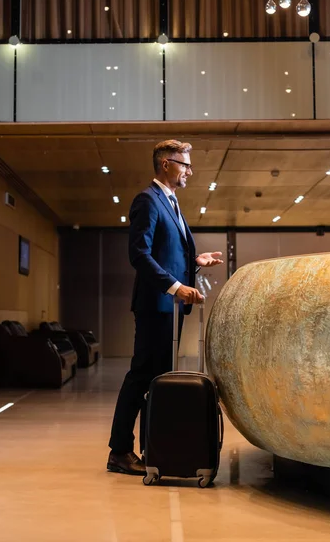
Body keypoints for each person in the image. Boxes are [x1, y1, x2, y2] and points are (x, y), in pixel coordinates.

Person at [107, 139, 223, 476]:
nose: (190, 170)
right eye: (184, 164)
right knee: (141, 375)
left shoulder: (171, 202)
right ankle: (119, 450)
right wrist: (175, 286)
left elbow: (167, 252)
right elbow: (139, 254)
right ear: (166, 164)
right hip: (156, 304)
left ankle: (152, 445)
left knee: (155, 377)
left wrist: (194, 261)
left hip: (170, 307)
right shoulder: (148, 200)